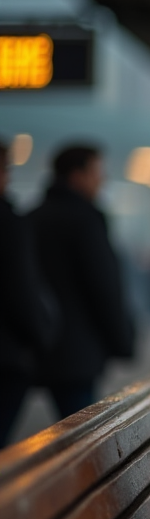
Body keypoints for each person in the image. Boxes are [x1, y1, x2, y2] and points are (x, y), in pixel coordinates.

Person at [28, 144, 134, 418]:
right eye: (96, 172)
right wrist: (122, 340)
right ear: (76, 176)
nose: (102, 179)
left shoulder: (31, 218)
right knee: (79, 428)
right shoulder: (86, 221)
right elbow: (104, 287)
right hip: (79, 350)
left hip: (38, 344)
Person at [0, 139, 60, 444]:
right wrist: (42, 337)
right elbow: (21, 290)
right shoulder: (9, 224)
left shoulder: (26, 218)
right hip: (8, 356)